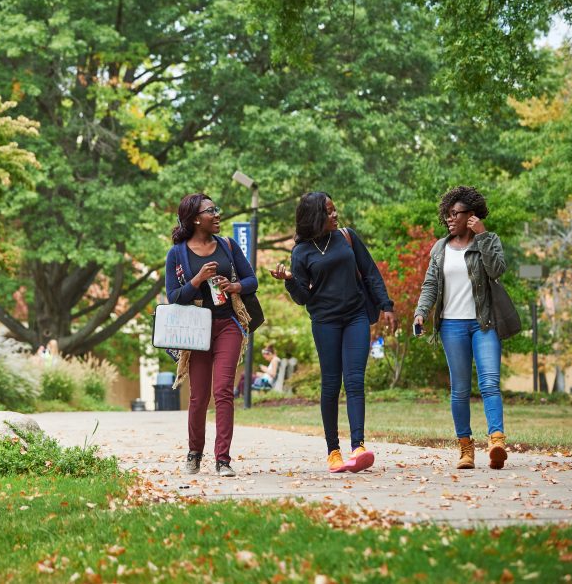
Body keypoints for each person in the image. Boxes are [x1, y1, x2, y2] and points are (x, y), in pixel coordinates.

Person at [270, 192, 396, 473]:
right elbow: (303, 297)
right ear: (315, 216)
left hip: (356, 317)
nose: (335, 214)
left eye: (335, 209)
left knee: (354, 381)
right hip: (325, 322)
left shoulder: (346, 236)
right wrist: (290, 281)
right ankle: (333, 451)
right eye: (329, 211)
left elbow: (371, 272)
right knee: (330, 384)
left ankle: (359, 447)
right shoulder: (301, 252)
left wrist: (387, 306)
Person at [414, 186, 509, 470]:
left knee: (490, 383)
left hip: (484, 323)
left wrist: (482, 235)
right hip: (451, 326)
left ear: (471, 216)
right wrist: (421, 311)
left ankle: (496, 442)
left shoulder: (487, 241)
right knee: (459, 390)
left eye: (456, 214)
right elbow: (431, 284)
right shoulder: (440, 249)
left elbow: (497, 270)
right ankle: (466, 449)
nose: (450, 219)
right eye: (448, 214)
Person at [165, 193, 258, 477]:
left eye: (216, 209)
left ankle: (223, 459)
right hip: (197, 330)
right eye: (211, 211)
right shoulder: (177, 253)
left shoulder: (227, 245)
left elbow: (251, 280)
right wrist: (198, 279)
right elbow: (174, 297)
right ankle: (194, 453)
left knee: (223, 392)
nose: (217, 214)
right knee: (198, 397)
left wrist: (234, 287)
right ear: (195, 218)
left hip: (228, 324)